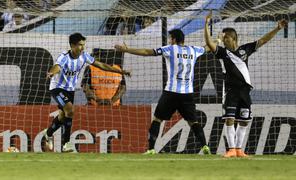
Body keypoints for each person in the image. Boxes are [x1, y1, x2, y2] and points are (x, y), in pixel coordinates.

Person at [204, 11, 288, 157]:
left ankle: (239, 149)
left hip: (244, 91)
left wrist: (277, 28)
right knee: (229, 119)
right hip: (230, 90)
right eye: (223, 39)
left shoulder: (245, 49)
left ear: (233, 38)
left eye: (225, 38)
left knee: (244, 121)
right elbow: (209, 44)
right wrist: (206, 24)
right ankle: (230, 149)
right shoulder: (223, 53)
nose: (223, 41)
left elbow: (263, 41)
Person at [115, 29, 211, 155]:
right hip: (187, 94)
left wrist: (127, 50)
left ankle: (151, 149)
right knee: (193, 122)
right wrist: (218, 40)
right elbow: (208, 47)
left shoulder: (170, 49)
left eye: (170, 38)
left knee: (157, 120)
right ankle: (205, 146)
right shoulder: (194, 50)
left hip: (171, 92)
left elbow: (146, 52)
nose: (169, 41)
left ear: (174, 40)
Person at [44, 33, 130, 152]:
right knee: (70, 110)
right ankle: (67, 144)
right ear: (72, 45)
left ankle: (48, 134)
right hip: (57, 88)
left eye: (83, 45)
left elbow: (101, 65)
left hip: (70, 90)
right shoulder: (64, 57)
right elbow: (57, 67)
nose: (82, 48)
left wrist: (121, 71)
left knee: (63, 116)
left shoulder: (84, 56)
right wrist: (51, 73)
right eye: (80, 45)